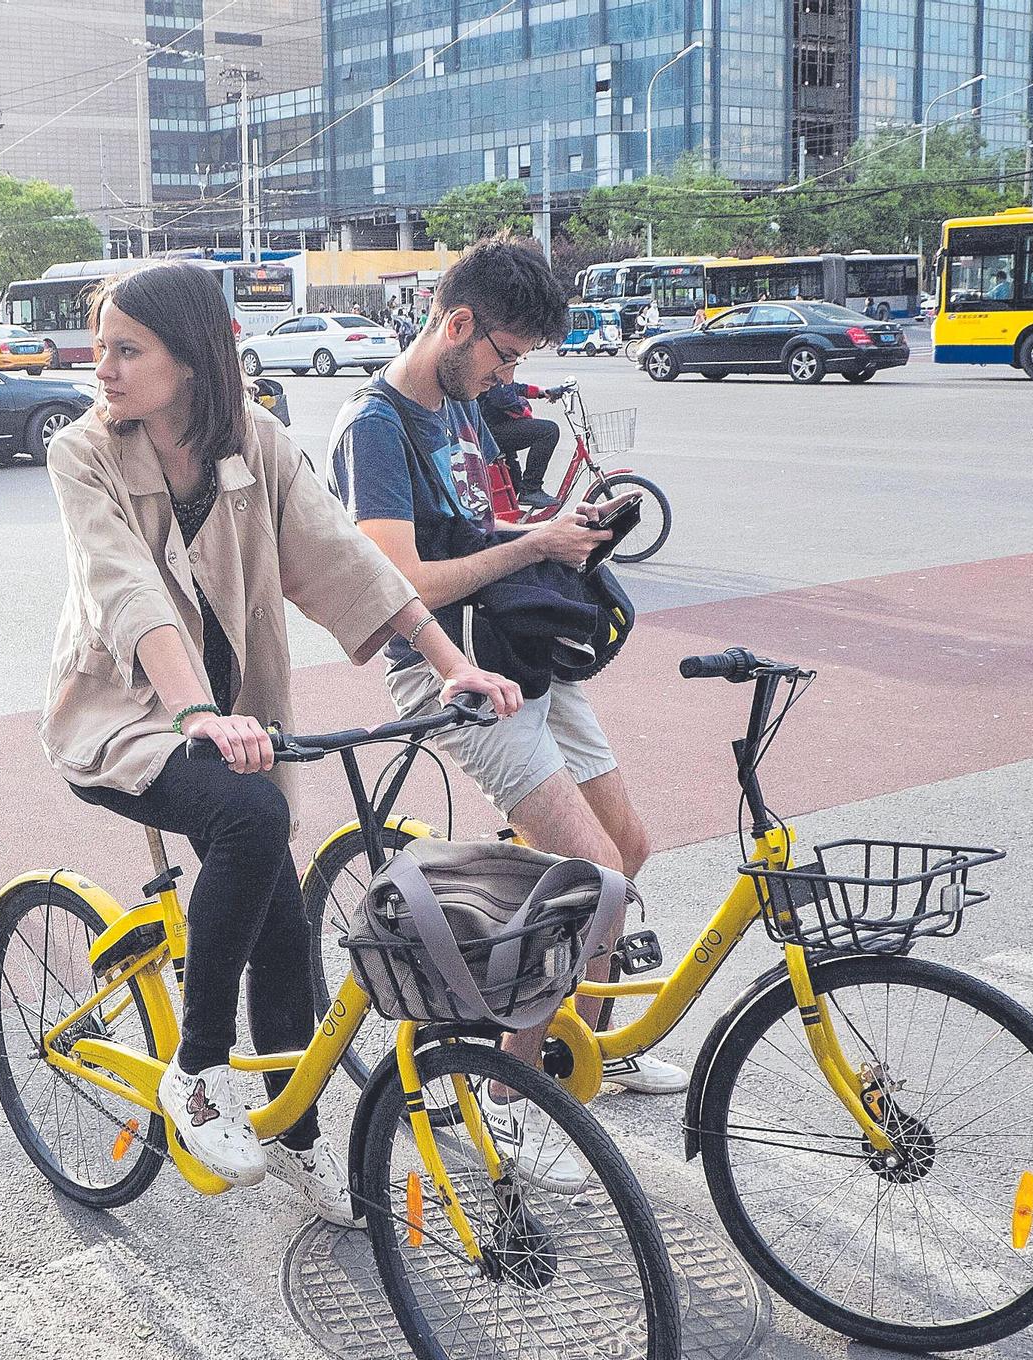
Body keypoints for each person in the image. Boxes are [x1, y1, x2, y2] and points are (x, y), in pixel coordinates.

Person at [43, 261, 520, 1223]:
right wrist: (194, 716)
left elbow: (340, 557)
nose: (104, 368)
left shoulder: (256, 441)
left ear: (194, 359)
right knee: (254, 818)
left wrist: (444, 662)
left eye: (125, 349)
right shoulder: (82, 452)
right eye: (100, 347)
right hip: (129, 715)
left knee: (286, 935)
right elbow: (121, 584)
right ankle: (199, 1070)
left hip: (237, 718)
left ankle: (296, 1141)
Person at [329, 239, 687, 1189]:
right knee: (592, 874)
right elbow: (399, 580)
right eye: (505, 355)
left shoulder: (465, 405)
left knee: (631, 847)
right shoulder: (376, 427)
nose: (508, 374)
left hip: (523, 652)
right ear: (457, 325)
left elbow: (489, 516)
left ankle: (587, 1048)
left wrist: (563, 534)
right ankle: (507, 1097)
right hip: (451, 671)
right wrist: (533, 543)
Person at [476, 377, 565, 509]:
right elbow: (503, 398)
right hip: (489, 431)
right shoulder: (497, 364)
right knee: (549, 431)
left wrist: (542, 392)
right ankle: (531, 489)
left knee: (514, 480)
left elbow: (512, 387)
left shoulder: (499, 366)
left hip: (492, 426)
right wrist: (526, 414)